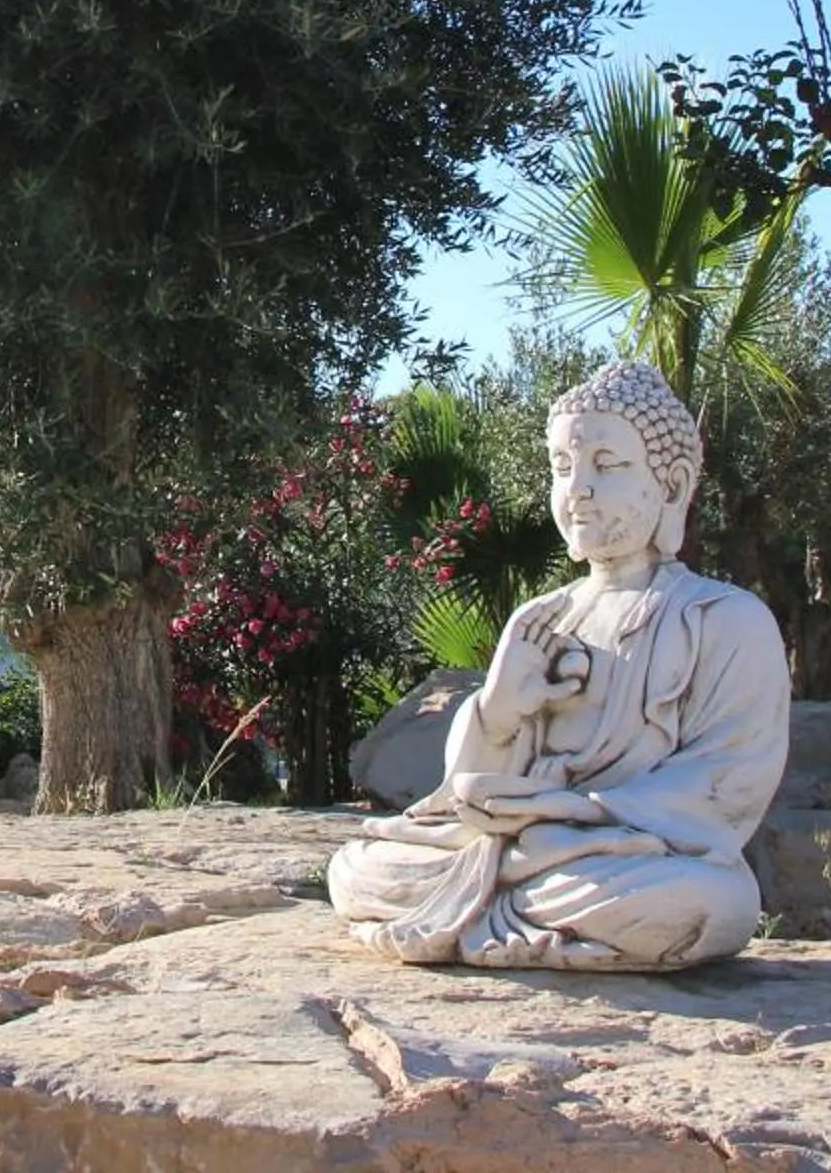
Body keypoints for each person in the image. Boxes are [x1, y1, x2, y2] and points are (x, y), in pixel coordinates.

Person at [326, 361, 788, 969]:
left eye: (607, 464)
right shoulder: (542, 617)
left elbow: (729, 784)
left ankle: (484, 910)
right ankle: (502, 906)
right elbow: (464, 790)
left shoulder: (724, 619)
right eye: (563, 466)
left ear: (672, 487)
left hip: (621, 859)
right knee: (356, 867)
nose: (578, 489)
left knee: (713, 902)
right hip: (516, 852)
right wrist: (495, 715)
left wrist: (577, 809)